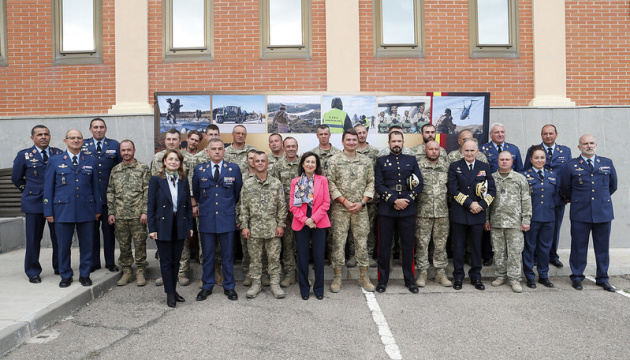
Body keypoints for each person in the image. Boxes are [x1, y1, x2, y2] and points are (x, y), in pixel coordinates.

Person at [43, 129, 101, 288]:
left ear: (83, 141)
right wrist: (48, 211)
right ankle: (65, 275)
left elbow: (95, 187)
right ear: (65, 140)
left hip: (86, 210)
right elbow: (48, 188)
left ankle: (85, 274)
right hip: (62, 210)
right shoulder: (54, 161)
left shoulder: (91, 161)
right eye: (72, 138)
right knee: (63, 245)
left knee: (87, 245)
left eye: (79, 138)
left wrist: (97, 209)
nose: (75, 140)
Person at [560, 134, 617, 292]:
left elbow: (613, 186)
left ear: (596, 145)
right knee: (578, 247)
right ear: (579, 147)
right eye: (585, 144)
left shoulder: (606, 163)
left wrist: (599, 200)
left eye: (591, 143)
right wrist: (579, 199)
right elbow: (565, 187)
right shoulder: (570, 165)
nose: (589, 146)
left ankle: (603, 278)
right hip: (580, 213)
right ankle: (577, 277)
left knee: (602, 248)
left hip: (603, 212)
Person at [193, 138, 243, 301]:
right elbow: (197, 193)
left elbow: (236, 194)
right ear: (207, 151)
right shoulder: (200, 170)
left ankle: (229, 286)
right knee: (208, 255)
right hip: (207, 218)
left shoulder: (233, 169)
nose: (217, 151)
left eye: (220, 149)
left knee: (228, 255)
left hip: (226, 218)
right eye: (213, 149)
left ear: (224, 151)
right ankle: (207, 285)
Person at [12, 125, 63, 283]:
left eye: (46, 134)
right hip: (34, 203)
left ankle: (60, 266)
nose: (43, 137)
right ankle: (33, 271)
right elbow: (16, 178)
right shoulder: (24, 155)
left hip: (56, 203)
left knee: (59, 237)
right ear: (32, 138)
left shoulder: (58, 154)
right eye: (39, 134)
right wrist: (29, 191)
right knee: (34, 239)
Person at [327, 129, 375, 293]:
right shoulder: (334, 161)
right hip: (340, 209)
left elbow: (371, 183)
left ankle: (364, 276)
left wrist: (362, 202)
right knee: (338, 243)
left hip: (360, 209)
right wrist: (345, 202)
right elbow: (330, 183)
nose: (352, 142)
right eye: (348, 140)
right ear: (342, 142)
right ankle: (337, 276)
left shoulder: (366, 161)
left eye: (354, 140)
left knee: (362, 243)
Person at [374, 131, 423, 293]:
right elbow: (378, 185)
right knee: (384, 247)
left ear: (403, 142)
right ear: (389, 142)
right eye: (393, 141)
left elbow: (419, 183)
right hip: (387, 209)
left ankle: (410, 280)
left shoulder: (411, 160)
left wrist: (407, 199)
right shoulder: (381, 161)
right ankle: (382, 281)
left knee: (408, 246)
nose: (396, 144)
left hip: (407, 209)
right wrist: (394, 200)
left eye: (399, 141)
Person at [147, 149, 193, 307]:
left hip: (179, 224)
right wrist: (152, 228)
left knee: (176, 261)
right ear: (164, 162)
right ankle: (169, 294)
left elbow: (187, 205)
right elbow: (150, 206)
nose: (173, 162)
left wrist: (189, 226)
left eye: (177, 160)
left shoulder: (183, 179)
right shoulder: (156, 180)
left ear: (180, 163)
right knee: (166, 261)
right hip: (162, 225)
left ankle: (174, 290)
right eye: (170, 159)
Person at [150, 128, 196, 286]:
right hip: (164, 208)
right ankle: (166, 274)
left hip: (183, 204)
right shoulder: (157, 158)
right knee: (165, 241)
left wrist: (193, 203)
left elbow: (192, 181)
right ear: (164, 141)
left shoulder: (189, 158)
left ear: (179, 140)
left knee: (181, 242)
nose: (171, 142)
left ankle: (182, 272)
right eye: (168, 139)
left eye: (174, 139)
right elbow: (153, 187)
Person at [449, 138, 495, 291]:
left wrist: (481, 206)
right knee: (459, 247)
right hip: (460, 213)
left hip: (477, 214)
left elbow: (492, 191)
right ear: (462, 151)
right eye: (466, 150)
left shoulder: (484, 167)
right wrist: (470, 204)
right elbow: (453, 190)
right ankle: (458, 277)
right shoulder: (455, 166)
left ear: (477, 151)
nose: (469, 153)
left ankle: (476, 277)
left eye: (472, 150)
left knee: (476, 248)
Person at [524, 124, 572, 268]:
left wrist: (567, 194)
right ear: (541, 135)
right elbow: (527, 170)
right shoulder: (533, 150)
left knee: (554, 228)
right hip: (537, 197)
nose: (548, 136)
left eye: (551, 133)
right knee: (534, 229)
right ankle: (535, 256)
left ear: (556, 134)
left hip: (558, 197)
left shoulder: (565, 151)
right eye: (545, 134)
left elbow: (569, 174)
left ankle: (552, 255)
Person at [240, 152, 287, 299]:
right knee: (255, 259)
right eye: (257, 161)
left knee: (274, 258)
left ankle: (275, 284)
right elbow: (243, 207)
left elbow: (282, 206)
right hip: (254, 229)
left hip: (272, 228)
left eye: (263, 161)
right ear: (253, 163)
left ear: (267, 164)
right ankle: (256, 284)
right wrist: (244, 226)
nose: (260, 163)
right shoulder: (247, 184)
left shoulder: (276, 183)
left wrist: (281, 224)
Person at [106, 140, 151, 286]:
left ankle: (140, 271)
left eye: (129, 150)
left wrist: (145, 211)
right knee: (123, 245)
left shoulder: (143, 168)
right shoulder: (115, 170)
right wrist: (111, 212)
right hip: (120, 215)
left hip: (138, 216)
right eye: (123, 150)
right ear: (120, 152)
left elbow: (147, 191)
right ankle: (126, 271)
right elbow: (110, 191)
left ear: (134, 150)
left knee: (140, 244)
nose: (126, 153)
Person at [485, 151, 531, 293]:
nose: (504, 162)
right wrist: (486, 219)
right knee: (498, 251)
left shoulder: (520, 179)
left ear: (512, 161)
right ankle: (500, 276)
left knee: (515, 252)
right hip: (497, 222)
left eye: (507, 159)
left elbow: (526, 200)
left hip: (515, 223)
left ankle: (514, 279)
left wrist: (526, 219)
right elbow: (487, 200)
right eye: (502, 159)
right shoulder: (491, 178)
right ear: (497, 161)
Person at [82, 118, 122, 273]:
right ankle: (94, 262)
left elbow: (120, 169)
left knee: (109, 232)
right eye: (95, 127)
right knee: (91, 232)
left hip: (108, 198)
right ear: (90, 129)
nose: (98, 130)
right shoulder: (83, 145)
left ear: (106, 129)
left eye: (101, 127)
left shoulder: (114, 145)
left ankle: (110, 261)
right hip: (90, 198)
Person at [290, 152, 330, 300]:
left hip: (318, 221)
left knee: (319, 257)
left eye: (313, 162)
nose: (310, 165)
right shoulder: (295, 181)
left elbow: (326, 203)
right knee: (302, 257)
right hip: (301, 222)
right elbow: (293, 206)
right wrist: (305, 219)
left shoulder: (323, 180)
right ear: (302, 164)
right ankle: (304, 289)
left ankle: (319, 289)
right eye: (307, 162)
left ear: (317, 165)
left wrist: (313, 218)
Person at [415, 140, 452, 288]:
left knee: (441, 244)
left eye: (436, 149)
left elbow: (451, 188)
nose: (434, 152)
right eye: (431, 149)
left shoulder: (446, 166)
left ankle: (440, 273)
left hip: (442, 212)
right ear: (426, 150)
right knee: (422, 244)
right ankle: (422, 272)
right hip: (423, 212)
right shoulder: (417, 166)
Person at [521, 146, 558, 289]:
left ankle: (543, 275)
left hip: (549, 218)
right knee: (529, 247)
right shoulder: (524, 176)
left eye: (542, 157)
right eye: (536, 158)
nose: (539, 160)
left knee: (545, 248)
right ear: (531, 160)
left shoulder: (553, 175)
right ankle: (530, 276)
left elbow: (557, 196)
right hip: (532, 218)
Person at [269, 137, 301, 287]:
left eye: (293, 146)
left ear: (297, 147)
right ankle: (289, 273)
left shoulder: (304, 163)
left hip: (303, 212)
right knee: (288, 243)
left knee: (302, 243)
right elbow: (274, 189)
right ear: (284, 147)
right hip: (285, 211)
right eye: (288, 146)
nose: (290, 149)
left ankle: (302, 274)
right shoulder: (278, 165)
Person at [355, 124, 379, 267]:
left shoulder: (375, 153)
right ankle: (354, 255)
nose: (361, 135)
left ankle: (369, 255)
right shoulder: (349, 151)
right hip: (353, 199)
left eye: (364, 132)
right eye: (359, 133)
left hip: (370, 199)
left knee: (369, 229)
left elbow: (376, 176)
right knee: (354, 230)